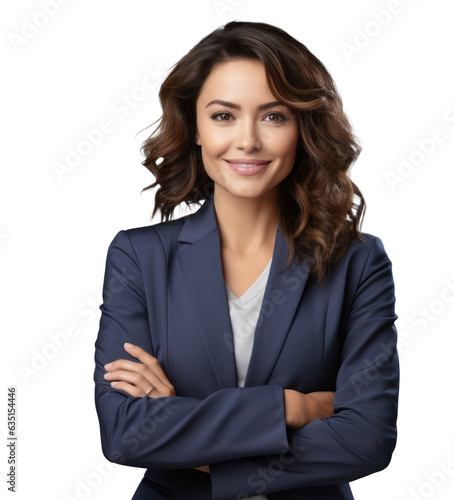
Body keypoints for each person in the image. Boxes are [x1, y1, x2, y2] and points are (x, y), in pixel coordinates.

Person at [93, 20, 400, 500]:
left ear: (303, 128)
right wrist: (290, 408)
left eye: (274, 116)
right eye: (223, 116)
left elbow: (367, 438)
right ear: (194, 126)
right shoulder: (139, 257)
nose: (248, 140)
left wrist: (187, 433)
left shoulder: (357, 263)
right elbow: (124, 431)